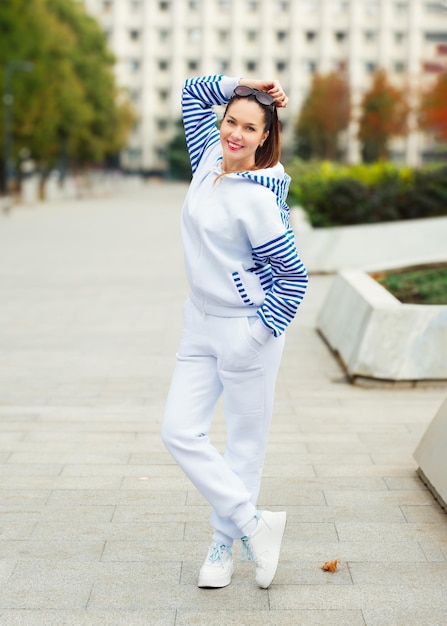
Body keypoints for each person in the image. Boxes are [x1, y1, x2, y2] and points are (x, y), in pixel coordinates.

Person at [161, 73, 308, 589]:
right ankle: (253, 526)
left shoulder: (261, 200)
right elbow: (190, 92)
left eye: (250, 127)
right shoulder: (207, 158)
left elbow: (293, 279)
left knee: (245, 445)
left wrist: (257, 334)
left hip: (247, 331)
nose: (237, 134)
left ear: (266, 136)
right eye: (232, 122)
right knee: (179, 430)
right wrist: (243, 85)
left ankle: (223, 546)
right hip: (198, 324)